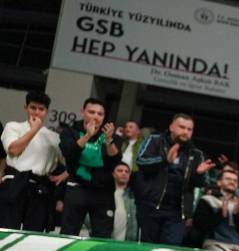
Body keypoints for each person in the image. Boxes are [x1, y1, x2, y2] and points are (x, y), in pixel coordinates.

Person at [135, 113, 213, 244]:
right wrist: (164, 160)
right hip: (150, 207)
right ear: (171, 127)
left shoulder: (196, 154)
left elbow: (203, 183)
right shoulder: (155, 140)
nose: (186, 132)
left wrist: (199, 174)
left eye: (189, 129)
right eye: (182, 127)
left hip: (177, 213)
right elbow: (141, 161)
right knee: (146, 248)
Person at [2, 91, 66, 232]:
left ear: (47, 111)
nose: (36, 112)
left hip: (40, 188)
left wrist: (64, 175)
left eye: (41, 109)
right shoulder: (13, 126)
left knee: (33, 234)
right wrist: (34, 129)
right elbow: (13, 150)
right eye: (33, 108)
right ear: (26, 108)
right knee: (6, 231)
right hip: (14, 182)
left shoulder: (54, 137)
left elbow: (70, 161)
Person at [57, 98, 119, 238]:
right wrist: (87, 136)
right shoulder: (70, 132)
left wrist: (109, 140)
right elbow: (69, 153)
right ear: (83, 112)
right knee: (68, 234)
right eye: (91, 112)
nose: (96, 116)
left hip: (104, 192)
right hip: (78, 187)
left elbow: (115, 161)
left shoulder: (109, 134)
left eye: (100, 114)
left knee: (102, 237)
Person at [192, 165, 239, 251]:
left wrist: (238, 214)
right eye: (228, 179)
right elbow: (199, 225)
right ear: (219, 182)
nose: (232, 182)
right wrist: (220, 214)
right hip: (214, 245)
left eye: (235, 181)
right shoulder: (207, 200)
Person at [111, 162, 137, 241]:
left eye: (127, 171)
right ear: (113, 174)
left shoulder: (134, 196)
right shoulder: (105, 195)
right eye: (120, 171)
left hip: (129, 243)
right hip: (108, 241)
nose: (124, 173)